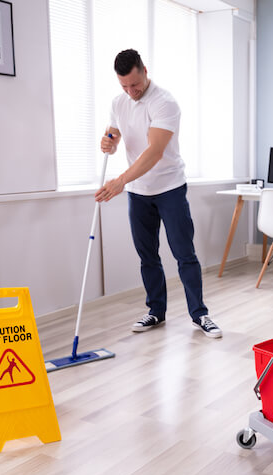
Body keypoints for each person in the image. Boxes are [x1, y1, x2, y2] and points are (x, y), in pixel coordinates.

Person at [95, 49, 221, 338]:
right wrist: (108, 143)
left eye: (135, 84)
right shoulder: (119, 102)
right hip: (139, 193)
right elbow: (114, 137)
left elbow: (154, 152)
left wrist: (120, 181)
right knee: (147, 255)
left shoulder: (165, 103)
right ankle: (156, 312)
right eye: (124, 86)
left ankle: (200, 315)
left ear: (145, 70)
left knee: (183, 253)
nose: (131, 91)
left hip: (169, 189)